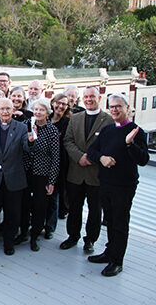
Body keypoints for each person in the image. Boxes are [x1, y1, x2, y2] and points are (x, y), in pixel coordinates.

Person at [87, 94, 149, 277]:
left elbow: (143, 160)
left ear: (127, 108)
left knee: (120, 223)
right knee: (109, 220)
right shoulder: (107, 130)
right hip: (105, 183)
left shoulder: (137, 131)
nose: (114, 109)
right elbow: (92, 151)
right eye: (112, 107)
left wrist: (130, 144)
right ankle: (109, 252)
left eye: (118, 106)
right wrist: (102, 158)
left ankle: (117, 261)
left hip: (124, 186)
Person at [61, 87, 113, 254]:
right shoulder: (75, 118)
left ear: (99, 98)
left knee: (95, 209)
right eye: (86, 97)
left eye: (92, 96)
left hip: (96, 174)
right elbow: (68, 141)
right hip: (76, 171)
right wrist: (79, 157)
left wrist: (91, 158)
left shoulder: (108, 120)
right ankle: (72, 236)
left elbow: (110, 146)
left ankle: (90, 239)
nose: (89, 99)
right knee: (74, 207)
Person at [0, 98, 36, 255]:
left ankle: (9, 242)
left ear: (13, 110)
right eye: (2, 109)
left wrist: (32, 141)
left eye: (8, 109)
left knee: (12, 214)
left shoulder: (20, 128)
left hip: (14, 177)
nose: (5, 112)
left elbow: (27, 147)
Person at [16, 99, 60, 252]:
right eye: (35, 109)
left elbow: (55, 157)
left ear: (48, 113)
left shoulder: (52, 130)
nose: (38, 112)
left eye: (41, 110)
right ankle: (23, 233)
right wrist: (30, 141)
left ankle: (34, 237)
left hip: (42, 173)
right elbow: (23, 148)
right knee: (24, 204)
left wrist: (52, 181)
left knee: (39, 206)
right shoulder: (26, 125)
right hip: (26, 171)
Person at [50, 93, 71, 223]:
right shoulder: (46, 118)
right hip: (44, 161)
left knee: (54, 195)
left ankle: (50, 226)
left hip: (60, 162)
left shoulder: (69, 123)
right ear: (52, 103)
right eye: (58, 102)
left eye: (64, 104)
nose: (60, 106)